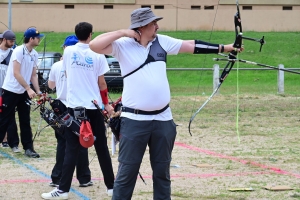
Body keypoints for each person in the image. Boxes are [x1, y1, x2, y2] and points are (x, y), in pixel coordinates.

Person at [89, 7, 243, 199]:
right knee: (127, 173)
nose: (157, 26)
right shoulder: (122, 45)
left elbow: (191, 45)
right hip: (134, 121)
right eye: (153, 24)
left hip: (163, 120)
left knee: (162, 173)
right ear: (142, 26)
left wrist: (227, 47)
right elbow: (94, 46)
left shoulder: (162, 41)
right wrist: (123, 32)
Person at [41, 22, 115, 199]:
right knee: (101, 148)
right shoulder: (97, 54)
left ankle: (63, 189)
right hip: (93, 106)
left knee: (71, 149)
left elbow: (66, 74)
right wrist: (106, 104)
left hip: (74, 109)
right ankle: (112, 187)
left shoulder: (68, 52)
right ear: (90, 34)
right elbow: (102, 83)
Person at [47, 35, 93, 188]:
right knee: (82, 139)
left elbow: (51, 85)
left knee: (63, 142)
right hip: (80, 106)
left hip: (62, 107)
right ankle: (84, 177)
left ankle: (57, 177)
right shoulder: (84, 63)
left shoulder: (57, 65)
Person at [0, 27, 44, 158]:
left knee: (25, 120)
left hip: (23, 92)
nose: (39, 39)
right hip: (10, 90)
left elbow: (33, 75)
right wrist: (28, 88)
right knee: (4, 120)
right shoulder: (19, 51)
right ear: (31, 39)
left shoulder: (34, 54)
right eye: (37, 38)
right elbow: (16, 73)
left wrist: (38, 91)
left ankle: (28, 148)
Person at [0, 30, 21, 152]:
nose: (13, 42)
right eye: (10, 40)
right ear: (4, 40)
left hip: (8, 88)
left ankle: (13, 143)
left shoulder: (13, 53)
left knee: (10, 115)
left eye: (14, 40)